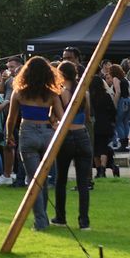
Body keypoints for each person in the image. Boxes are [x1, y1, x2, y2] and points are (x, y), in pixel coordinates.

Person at [4, 57, 65, 232]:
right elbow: (61, 117)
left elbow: (11, 118)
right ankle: (43, 216)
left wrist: (9, 136)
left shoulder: (19, 92)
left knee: (34, 181)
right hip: (47, 134)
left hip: (28, 132)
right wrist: (52, 120)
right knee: (43, 179)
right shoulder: (51, 94)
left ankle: (40, 221)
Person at [48, 60, 93, 230]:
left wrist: (54, 123)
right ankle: (84, 221)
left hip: (65, 136)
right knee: (83, 182)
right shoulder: (83, 92)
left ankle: (61, 217)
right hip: (82, 135)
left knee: (61, 179)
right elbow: (88, 117)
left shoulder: (58, 92)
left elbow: (53, 117)